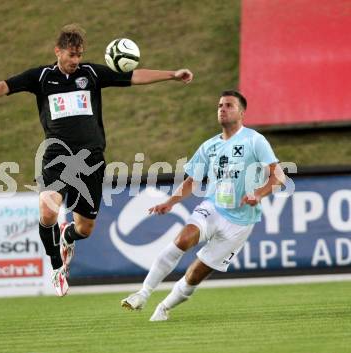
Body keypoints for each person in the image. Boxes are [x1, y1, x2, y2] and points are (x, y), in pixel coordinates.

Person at [0, 24, 193, 297]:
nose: (75, 61)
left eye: (79, 55)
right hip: (56, 156)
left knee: (85, 229)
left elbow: (134, 76)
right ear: (57, 51)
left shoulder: (91, 74)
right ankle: (57, 266)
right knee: (48, 210)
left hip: (91, 160)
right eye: (71, 55)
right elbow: (6, 85)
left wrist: (172, 75)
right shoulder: (41, 77)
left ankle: (68, 236)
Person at [121, 90, 284, 321]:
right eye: (220, 105)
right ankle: (143, 294)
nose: (222, 109)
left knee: (196, 274)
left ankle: (164, 308)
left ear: (241, 113)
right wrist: (170, 202)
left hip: (241, 222)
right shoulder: (209, 146)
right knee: (183, 239)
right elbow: (192, 181)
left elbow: (279, 177)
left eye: (228, 105)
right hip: (213, 207)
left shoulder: (255, 140)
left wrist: (258, 194)